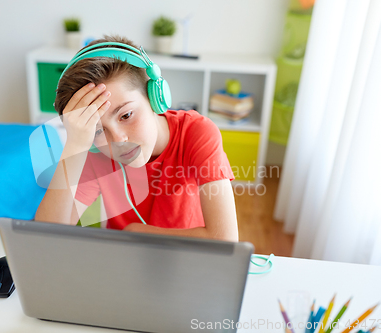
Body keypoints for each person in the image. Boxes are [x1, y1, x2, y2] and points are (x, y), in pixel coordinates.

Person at [34, 34, 238, 242]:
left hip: (189, 255)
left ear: (154, 98)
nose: (118, 139)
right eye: (98, 130)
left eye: (126, 115)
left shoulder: (197, 133)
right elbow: (45, 237)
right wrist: (75, 145)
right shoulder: (95, 150)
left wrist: (138, 232)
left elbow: (225, 240)